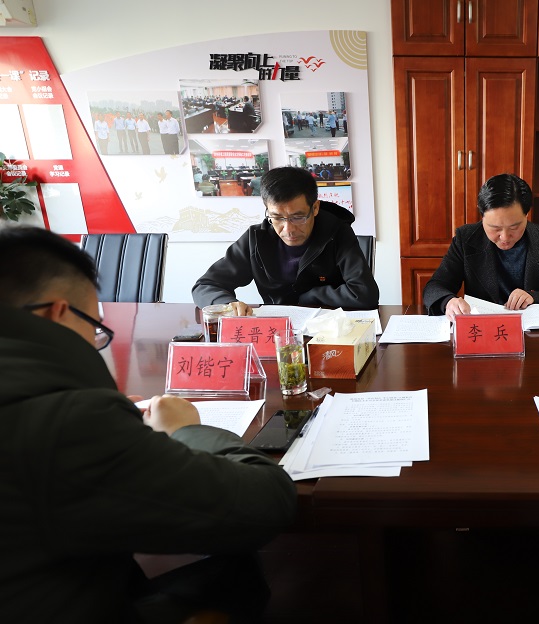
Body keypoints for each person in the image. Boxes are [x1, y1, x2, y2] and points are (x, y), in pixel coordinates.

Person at [0, 226, 297, 622]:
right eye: (94, 326)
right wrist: (185, 429)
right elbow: (266, 504)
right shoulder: (67, 424)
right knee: (236, 567)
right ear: (57, 312)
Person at [193, 166, 379, 314]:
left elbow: (364, 294)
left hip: (329, 329)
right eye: (277, 218)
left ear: (315, 208)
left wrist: (309, 296)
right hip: (276, 331)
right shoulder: (256, 238)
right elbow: (205, 285)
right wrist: (227, 305)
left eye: (298, 217)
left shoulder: (337, 232)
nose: (288, 229)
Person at [423, 173, 539, 320]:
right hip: (484, 329)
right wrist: (448, 301)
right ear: (482, 216)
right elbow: (435, 286)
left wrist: (535, 297)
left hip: (532, 331)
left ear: (526, 215)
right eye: (495, 228)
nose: (504, 237)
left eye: (514, 227)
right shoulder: (466, 238)